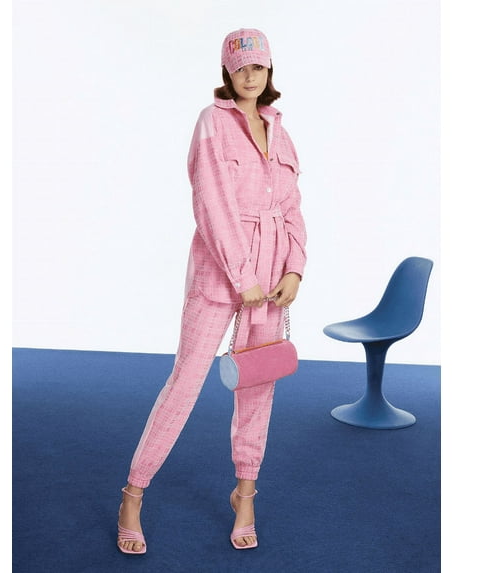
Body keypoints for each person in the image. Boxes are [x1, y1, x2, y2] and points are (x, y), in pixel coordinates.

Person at [117, 27, 307, 554]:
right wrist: (243, 276)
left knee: (258, 388)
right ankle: (133, 493)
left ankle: (245, 494)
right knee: (185, 383)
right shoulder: (212, 123)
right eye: (242, 67)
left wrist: (294, 268)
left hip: (272, 281)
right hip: (223, 276)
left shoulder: (280, 131)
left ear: (270, 70)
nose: (251, 75)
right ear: (227, 71)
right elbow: (212, 204)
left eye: (259, 66)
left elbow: (292, 207)